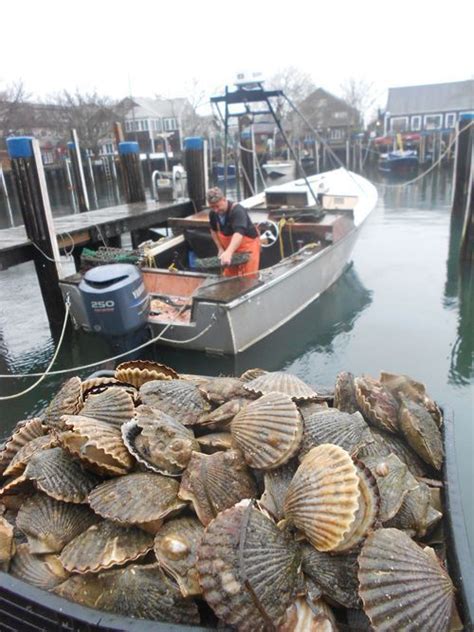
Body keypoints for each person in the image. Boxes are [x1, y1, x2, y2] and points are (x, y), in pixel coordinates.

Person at [207, 187, 260, 278]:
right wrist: (220, 249)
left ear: (224, 199)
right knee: (229, 277)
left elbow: (239, 234)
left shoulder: (237, 211)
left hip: (248, 249)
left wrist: (228, 252)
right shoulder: (213, 214)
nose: (215, 210)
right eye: (212, 207)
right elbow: (213, 230)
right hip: (230, 250)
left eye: (217, 206)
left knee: (248, 278)